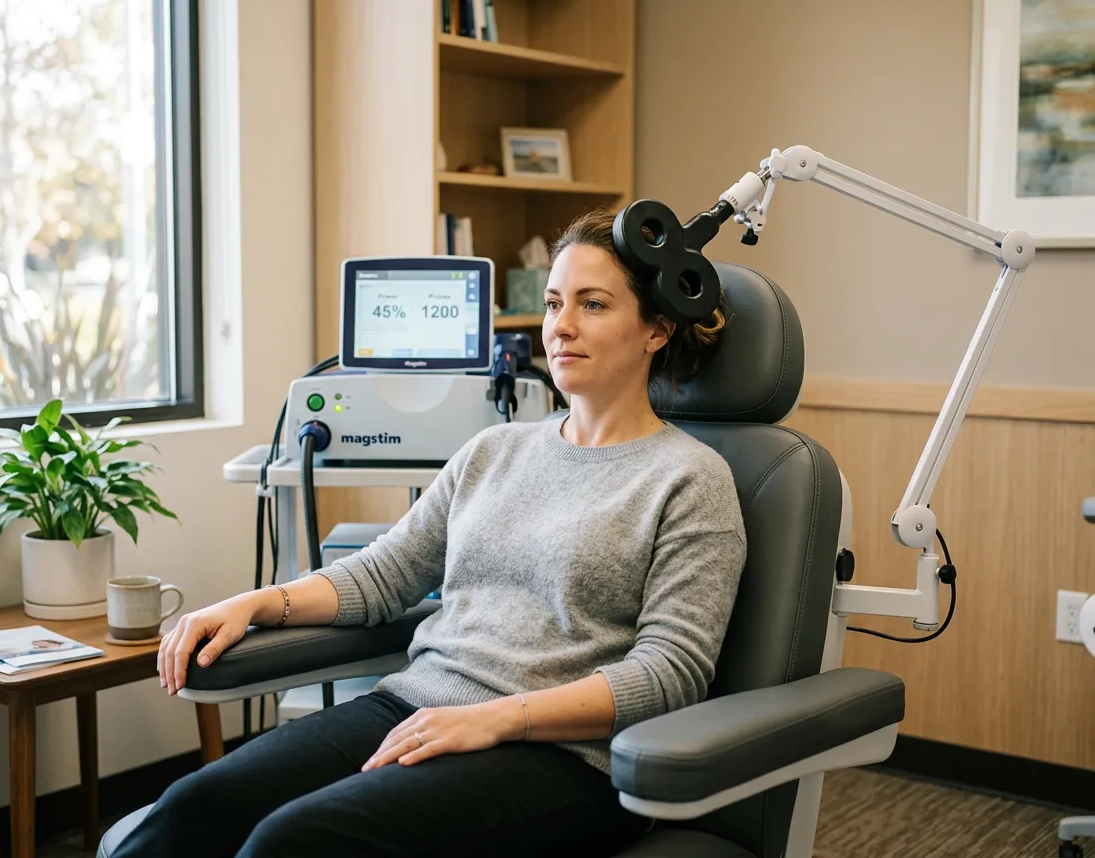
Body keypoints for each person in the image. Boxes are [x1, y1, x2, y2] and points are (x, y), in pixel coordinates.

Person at [119, 209, 747, 858]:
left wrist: (498, 718)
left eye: (593, 305)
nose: (560, 326)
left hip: (566, 757)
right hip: (418, 706)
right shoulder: (493, 451)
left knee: (293, 843)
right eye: (555, 303)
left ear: (657, 328)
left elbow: (671, 673)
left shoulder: (690, 479)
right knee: (193, 809)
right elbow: (384, 575)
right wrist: (253, 603)